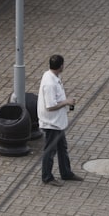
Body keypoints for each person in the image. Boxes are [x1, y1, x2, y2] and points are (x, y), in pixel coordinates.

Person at [37, 54, 82, 183]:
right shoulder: (50, 83)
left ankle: (66, 172)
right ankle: (47, 177)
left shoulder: (51, 75)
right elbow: (50, 106)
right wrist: (66, 102)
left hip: (58, 122)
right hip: (51, 123)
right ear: (61, 66)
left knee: (62, 147)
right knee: (50, 151)